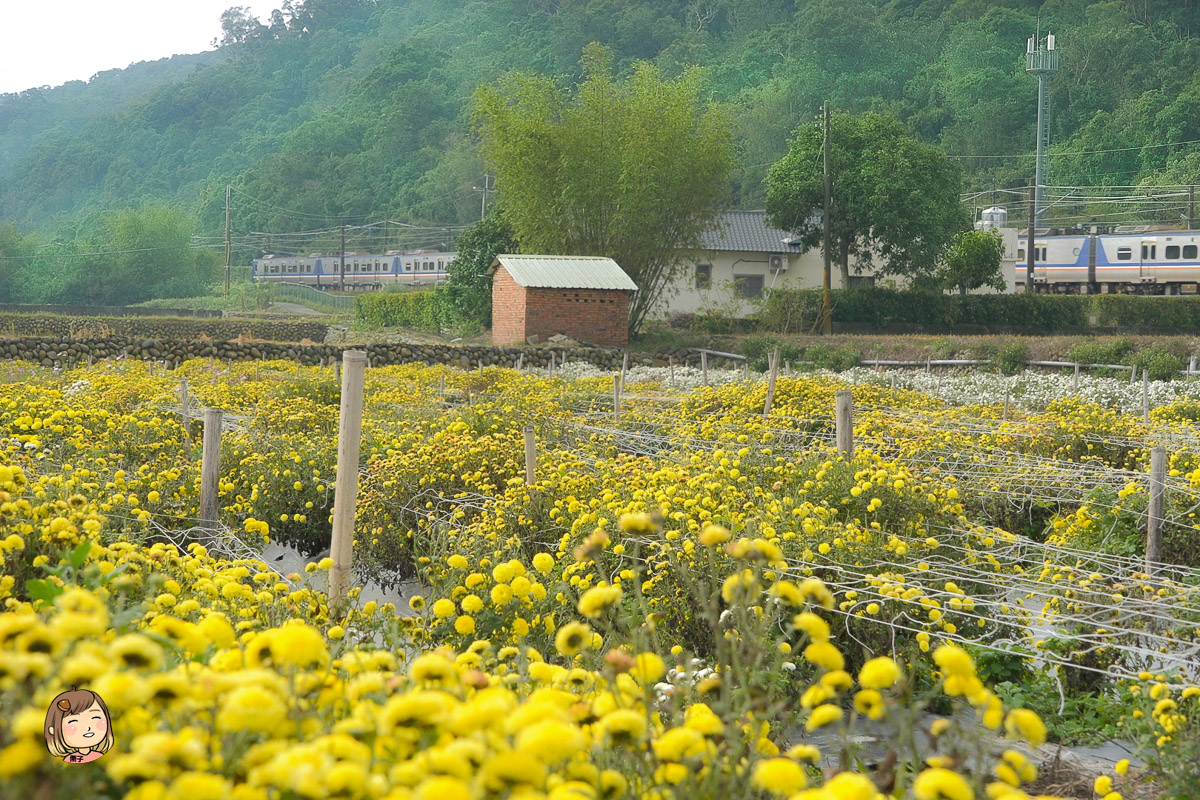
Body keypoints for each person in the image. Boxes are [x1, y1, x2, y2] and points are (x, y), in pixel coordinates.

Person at [44, 687, 113, 764]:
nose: (88, 727)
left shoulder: (100, 756)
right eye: (73, 723)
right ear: (53, 730)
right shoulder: (69, 760)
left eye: (95, 718)